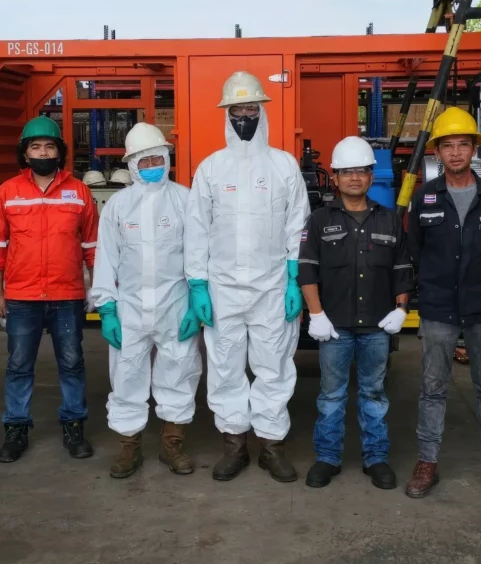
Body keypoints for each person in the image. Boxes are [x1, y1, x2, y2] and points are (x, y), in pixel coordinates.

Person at [185, 71, 310, 483]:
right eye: (236, 110)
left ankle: (271, 448)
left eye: (250, 109)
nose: (244, 117)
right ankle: (234, 446)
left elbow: (298, 225)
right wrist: (197, 285)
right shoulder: (210, 169)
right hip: (222, 289)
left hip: (272, 287)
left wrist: (294, 278)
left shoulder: (283, 165)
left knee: (274, 367)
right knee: (224, 368)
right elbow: (197, 230)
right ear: (226, 114)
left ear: (262, 111)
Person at [405, 107, 481, 506]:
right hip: (438, 307)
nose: (455, 153)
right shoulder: (424, 198)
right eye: (448, 145)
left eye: (463, 145)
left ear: (474, 150)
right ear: (437, 152)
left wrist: (480, 281)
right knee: (432, 388)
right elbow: (415, 249)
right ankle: (427, 462)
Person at [298, 136, 414, 490]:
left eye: (361, 171)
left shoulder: (389, 220)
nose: (354, 178)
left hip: (377, 326)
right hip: (334, 327)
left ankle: (376, 458)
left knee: (374, 394)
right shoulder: (319, 220)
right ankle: (327, 457)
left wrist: (402, 309)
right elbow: (307, 270)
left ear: (370, 176)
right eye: (346, 172)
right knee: (331, 396)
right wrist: (316, 314)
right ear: (334, 177)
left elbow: (402, 269)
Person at [91, 123, 202, 478]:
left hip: (176, 305)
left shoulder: (185, 200)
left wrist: (198, 299)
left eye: (158, 158)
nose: (153, 165)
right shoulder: (118, 206)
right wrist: (107, 309)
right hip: (130, 308)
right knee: (127, 376)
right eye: (144, 160)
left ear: (167, 159)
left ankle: (172, 446)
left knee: (180, 373)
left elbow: (199, 254)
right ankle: (129, 448)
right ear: (132, 164)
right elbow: (106, 259)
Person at [0, 116, 99, 463]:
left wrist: (96, 288)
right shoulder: (8, 191)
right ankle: (16, 429)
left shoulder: (79, 191)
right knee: (19, 365)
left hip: (67, 295)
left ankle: (74, 426)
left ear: (59, 152)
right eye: (35, 147)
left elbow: (92, 245)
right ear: (25, 153)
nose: (43, 152)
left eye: (49, 146)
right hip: (22, 296)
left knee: (72, 363)